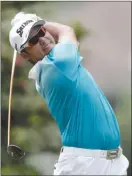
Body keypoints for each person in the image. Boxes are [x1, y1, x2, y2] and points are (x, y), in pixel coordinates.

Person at [9, 12, 129, 175]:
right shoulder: (57, 65)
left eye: (41, 31)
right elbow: (67, 32)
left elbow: (74, 44)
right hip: (85, 165)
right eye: (33, 40)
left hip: (108, 163)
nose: (42, 39)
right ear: (24, 54)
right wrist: (40, 20)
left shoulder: (56, 64)